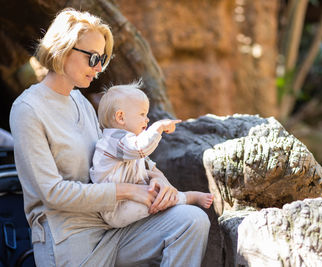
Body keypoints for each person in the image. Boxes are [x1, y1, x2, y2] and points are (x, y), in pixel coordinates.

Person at [9, 8, 210, 266]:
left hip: (113, 226)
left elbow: (113, 148)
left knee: (190, 221)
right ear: (64, 48)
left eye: (103, 58)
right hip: (68, 240)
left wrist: (158, 177)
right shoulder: (28, 110)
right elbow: (53, 193)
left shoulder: (79, 101)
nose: (100, 67)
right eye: (93, 58)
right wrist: (128, 192)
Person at [90, 81, 213, 228]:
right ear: (121, 117)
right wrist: (158, 127)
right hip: (115, 209)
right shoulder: (113, 141)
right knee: (156, 199)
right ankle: (187, 197)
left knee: (156, 193)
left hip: (129, 200)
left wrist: (155, 176)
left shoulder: (126, 143)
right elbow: (141, 148)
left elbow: (147, 164)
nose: (147, 119)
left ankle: (182, 198)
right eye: (142, 114)